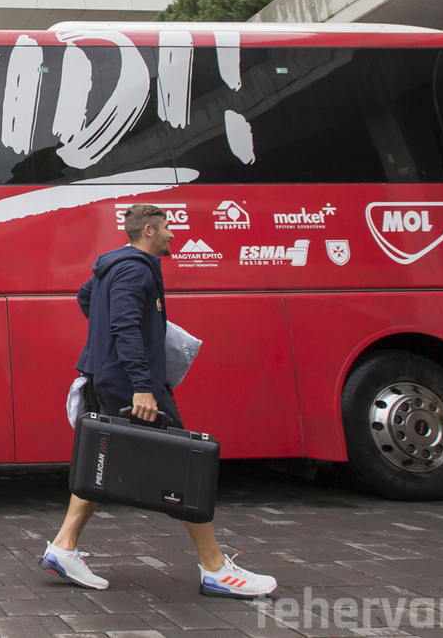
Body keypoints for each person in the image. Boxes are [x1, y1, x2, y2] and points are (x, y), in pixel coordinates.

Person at [39, 204, 277, 598]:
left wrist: (105, 346)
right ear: (148, 230)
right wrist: (142, 386)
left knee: (104, 463)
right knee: (186, 467)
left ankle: (63, 548)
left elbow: (87, 298)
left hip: (109, 379)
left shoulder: (114, 264)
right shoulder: (135, 269)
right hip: (130, 387)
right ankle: (215, 569)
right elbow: (125, 324)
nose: (172, 234)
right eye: (167, 227)